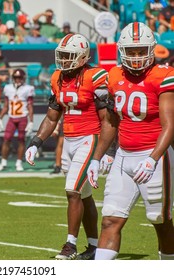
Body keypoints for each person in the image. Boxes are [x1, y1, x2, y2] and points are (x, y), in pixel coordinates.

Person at [86, 22, 174, 260]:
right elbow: (111, 122)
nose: (136, 57)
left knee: (160, 220)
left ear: (152, 49)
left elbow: (170, 125)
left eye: (141, 50)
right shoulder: (114, 75)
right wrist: (98, 157)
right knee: (111, 219)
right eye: (131, 51)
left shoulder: (163, 76)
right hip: (124, 155)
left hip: (155, 154)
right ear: (122, 51)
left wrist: (152, 159)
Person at [25, 33, 111, 260]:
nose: (63, 60)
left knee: (72, 191)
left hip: (89, 138)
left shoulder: (96, 76)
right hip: (69, 140)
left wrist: (107, 151)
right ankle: (93, 246)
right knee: (84, 196)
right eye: (62, 55)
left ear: (82, 57)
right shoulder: (58, 78)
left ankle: (70, 244)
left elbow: (107, 119)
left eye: (69, 56)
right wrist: (36, 141)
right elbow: (52, 117)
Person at [0, 68, 34, 172]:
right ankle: (3, 162)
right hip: (12, 117)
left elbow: (30, 106)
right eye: (16, 77)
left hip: (22, 117)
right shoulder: (8, 88)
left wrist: (31, 121)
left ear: (23, 78)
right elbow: (6, 106)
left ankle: (19, 162)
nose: (18, 79)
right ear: (13, 78)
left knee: (21, 140)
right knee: (6, 139)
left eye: (20, 77)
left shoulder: (28, 88)